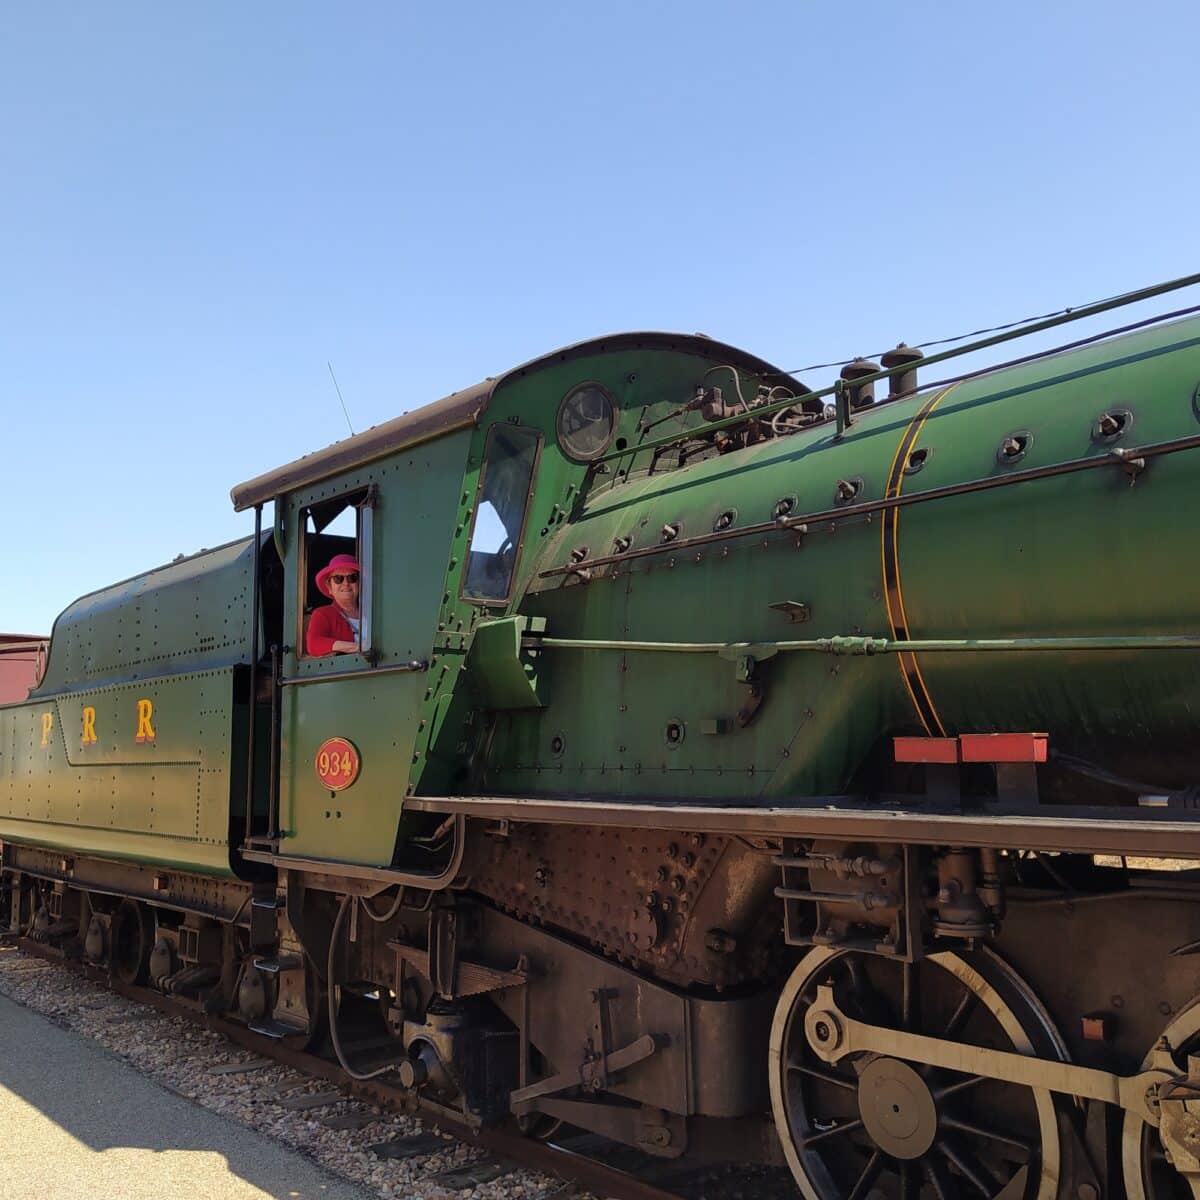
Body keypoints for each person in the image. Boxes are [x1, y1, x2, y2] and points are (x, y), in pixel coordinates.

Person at [306, 553, 362, 656]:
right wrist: (357, 647)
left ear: (360, 583)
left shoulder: (373, 612)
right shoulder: (323, 614)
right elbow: (313, 644)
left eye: (352, 578)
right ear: (329, 587)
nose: (346, 583)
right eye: (338, 579)